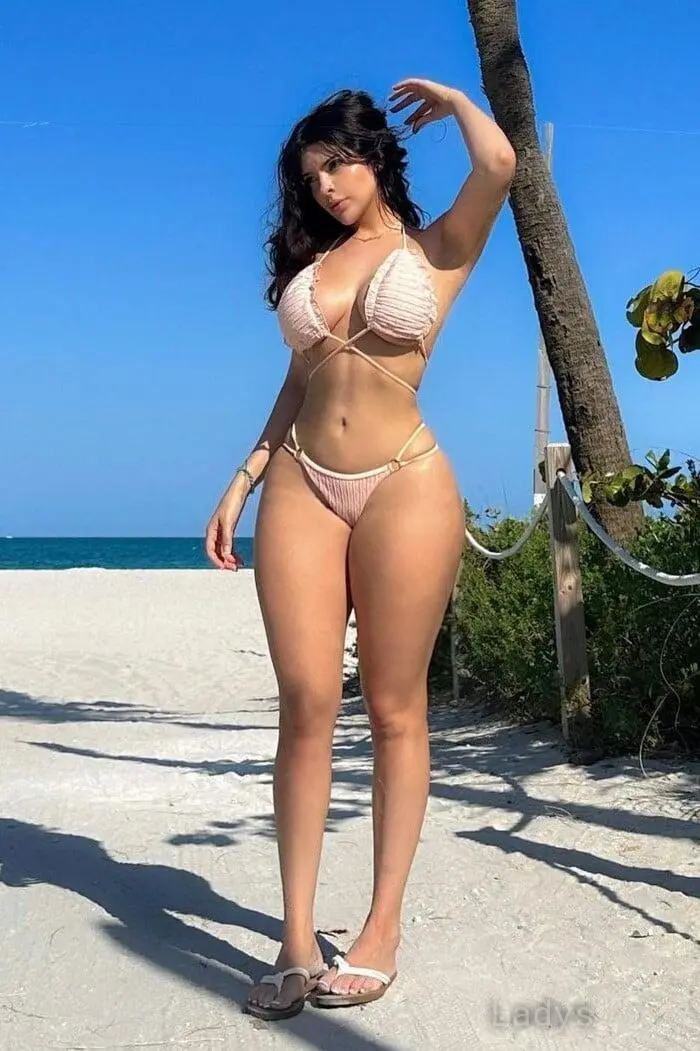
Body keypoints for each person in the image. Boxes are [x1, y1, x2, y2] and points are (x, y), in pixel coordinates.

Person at [205, 78, 515, 1018]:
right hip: (302, 481)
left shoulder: (436, 249)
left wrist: (457, 100)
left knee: (393, 708)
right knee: (305, 703)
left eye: (339, 164)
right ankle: (297, 938)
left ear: (375, 155)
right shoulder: (316, 264)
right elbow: (300, 380)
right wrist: (245, 474)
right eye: (313, 177)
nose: (328, 187)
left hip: (404, 483)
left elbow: (500, 164)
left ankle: (380, 929)